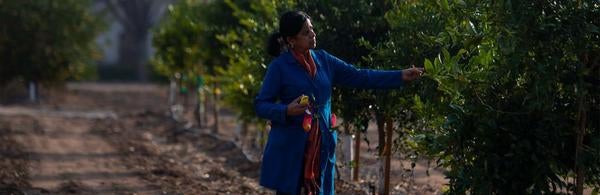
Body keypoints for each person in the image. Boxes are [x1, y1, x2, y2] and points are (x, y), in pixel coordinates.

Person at [255, 11, 424, 195]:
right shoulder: (279, 67)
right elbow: (261, 105)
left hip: (322, 147)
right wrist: (286, 110)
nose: (312, 34)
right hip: (293, 150)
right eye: (306, 32)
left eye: (312, 29)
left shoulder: (324, 60)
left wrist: (399, 75)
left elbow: (360, 76)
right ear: (291, 40)